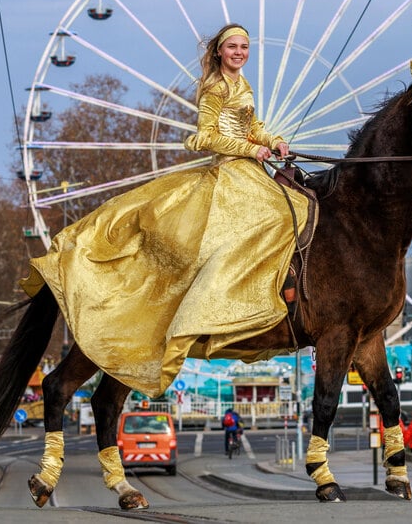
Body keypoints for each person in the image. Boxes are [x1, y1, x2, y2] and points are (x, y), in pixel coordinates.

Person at [21, 23, 310, 397]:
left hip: (251, 170)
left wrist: (274, 141)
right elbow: (206, 135)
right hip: (230, 171)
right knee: (267, 220)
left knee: (295, 209)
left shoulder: (242, 84)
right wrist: (249, 150)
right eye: (233, 47)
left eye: (245, 47)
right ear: (220, 51)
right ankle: (226, 299)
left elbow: (251, 125)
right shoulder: (214, 88)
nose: (240, 52)